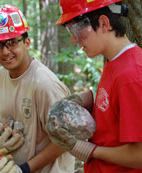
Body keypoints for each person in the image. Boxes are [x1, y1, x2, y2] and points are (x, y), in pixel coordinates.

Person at [49, 0, 142, 172]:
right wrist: (82, 100)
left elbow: (139, 156)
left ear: (103, 23)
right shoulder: (114, 60)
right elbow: (115, 103)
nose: (73, 39)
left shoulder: (132, 75)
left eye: (77, 30)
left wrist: (90, 151)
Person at [0, 4, 75, 173]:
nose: (5, 51)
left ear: (27, 42)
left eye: (12, 43)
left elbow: (66, 139)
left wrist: (25, 169)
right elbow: (0, 126)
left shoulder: (44, 84)